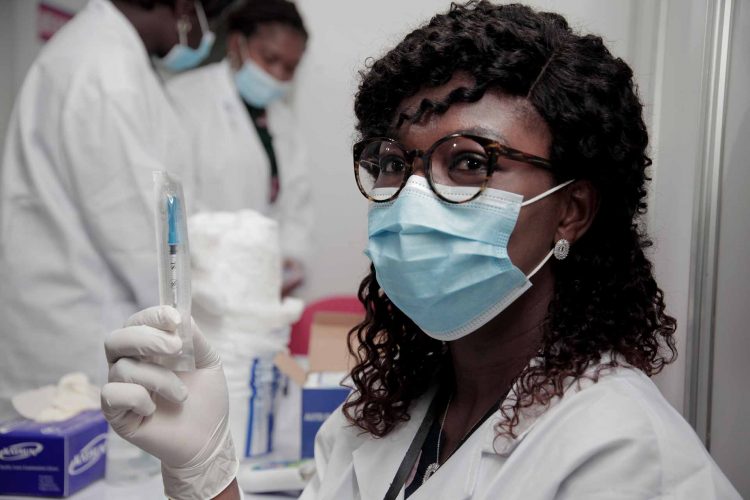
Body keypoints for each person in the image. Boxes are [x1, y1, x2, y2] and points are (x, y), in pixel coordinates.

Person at [100, 2, 742, 499]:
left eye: (468, 163)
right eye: (392, 164)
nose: (410, 199)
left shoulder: (623, 456)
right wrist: (205, 471)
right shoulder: (384, 416)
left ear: (570, 211)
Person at [0, 0, 232, 416]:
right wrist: (205, 336)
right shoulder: (105, 71)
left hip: (84, 318)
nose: (205, 36)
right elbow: (139, 239)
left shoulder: (111, 54)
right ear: (183, 8)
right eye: (208, 20)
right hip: (75, 334)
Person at [167, 0, 311, 296]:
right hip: (204, 283)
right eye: (270, 59)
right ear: (237, 44)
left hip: (264, 287)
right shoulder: (185, 99)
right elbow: (177, 203)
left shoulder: (283, 120)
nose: (279, 75)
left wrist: (290, 258)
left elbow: (296, 204)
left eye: (290, 68)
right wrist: (237, 258)